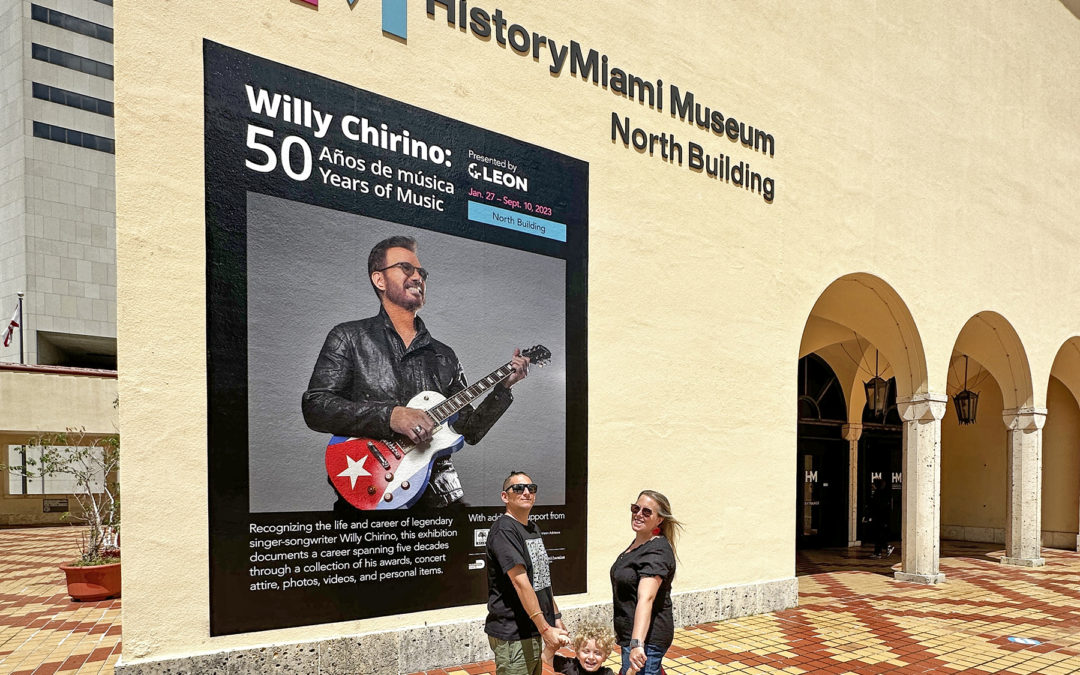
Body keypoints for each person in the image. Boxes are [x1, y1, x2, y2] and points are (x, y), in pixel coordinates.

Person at [302, 235, 531, 510]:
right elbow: (315, 406)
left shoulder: (445, 355)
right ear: (379, 280)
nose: (417, 277)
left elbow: (469, 431)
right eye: (405, 268)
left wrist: (503, 389)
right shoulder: (348, 337)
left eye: (421, 272)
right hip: (371, 499)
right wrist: (391, 416)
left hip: (441, 501)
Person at [485, 471, 568, 675]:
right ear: (505, 496)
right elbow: (520, 583)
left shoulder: (531, 528)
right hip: (514, 633)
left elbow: (541, 579)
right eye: (518, 488)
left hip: (531, 629)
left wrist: (555, 616)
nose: (526, 492)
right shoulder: (504, 530)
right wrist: (545, 629)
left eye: (531, 489)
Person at [610, 490, 682, 675]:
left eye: (647, 511)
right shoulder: (638, 544)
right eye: (636, 508)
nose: (638, 514)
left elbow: (646, 598)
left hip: (647, 640)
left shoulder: (656, 551)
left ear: (659, 520)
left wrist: (637, 643)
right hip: (633, 637)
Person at [541, 619, 617, 674]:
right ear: (577, 652)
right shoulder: (571, 666)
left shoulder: (607, 673)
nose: (591, 657)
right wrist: (554, 645)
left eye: (597, 653)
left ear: (605, 656)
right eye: (586, 651)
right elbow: (546, 657)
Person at [870, 477, 894, 559]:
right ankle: (879, 552)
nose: (872, 485)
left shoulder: (878, 494)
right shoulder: (882, 493)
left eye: (873, 483)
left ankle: (881, 550)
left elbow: (878, 507)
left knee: (878, 535)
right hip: (881, 518)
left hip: (879, 518)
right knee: (879, 535)